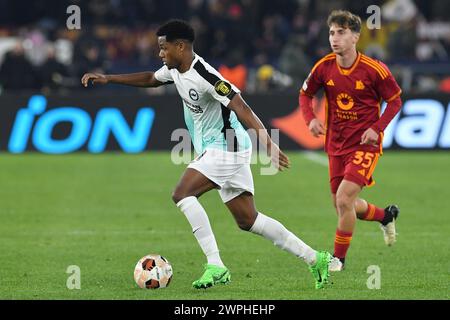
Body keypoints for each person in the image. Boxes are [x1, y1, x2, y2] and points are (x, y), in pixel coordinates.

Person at [82, 20, 333, 289]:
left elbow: (242, 107)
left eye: (163, 48)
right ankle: (314, 258)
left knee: (182, 194)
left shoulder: (206, 75)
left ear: (180, 47)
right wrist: (109, 78)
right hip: (221, 149)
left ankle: (216, 265)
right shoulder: (175, 69)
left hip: (226, 147)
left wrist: (268, 144)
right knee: (249, 220)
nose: (160, 54)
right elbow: (150, 79)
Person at [299, 10, 402, 271]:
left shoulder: (374, 70)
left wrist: (377, 128)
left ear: (355, 36)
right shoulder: (323, 67)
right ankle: (385, 215)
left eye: (341, 33)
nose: (335, 38)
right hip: (335, 143)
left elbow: (395, 101)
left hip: (365, 145)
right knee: (342, 204)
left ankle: (339, 259)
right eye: (332, 33)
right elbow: (305, 94)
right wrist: (310, 119)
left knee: (344, 200)